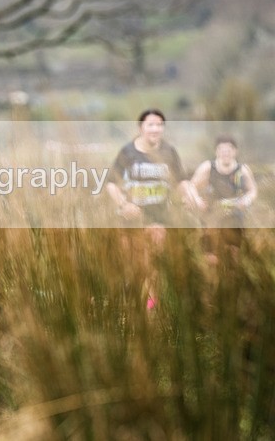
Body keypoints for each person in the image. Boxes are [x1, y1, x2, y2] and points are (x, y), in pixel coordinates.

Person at [105, 109, 196, 309]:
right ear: (141, 128)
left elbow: (181, 180)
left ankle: (151, 308)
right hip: (131, 218)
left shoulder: (168, 152)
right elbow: (111, 184)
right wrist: (124, 204)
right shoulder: (128, 152)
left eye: (159, 125)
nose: (155, 129)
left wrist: (189, 196)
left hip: (158, 216)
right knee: (132, 267)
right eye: (151, 125)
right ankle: (127, 307)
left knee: (152, 265)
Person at [190, 135, 258, 266]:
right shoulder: (208, 167)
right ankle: (211, 282)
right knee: (211, 259)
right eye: (222, 149)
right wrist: (197, 200)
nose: (225, 153)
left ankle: (230, 282)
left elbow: (252, 190)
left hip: (234, 217)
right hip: (211, 217)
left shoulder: (242, 169)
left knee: (232, 256)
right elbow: (191, 186)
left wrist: (246, 200)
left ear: (235, 151)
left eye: (229, 150)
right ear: (216, 151)